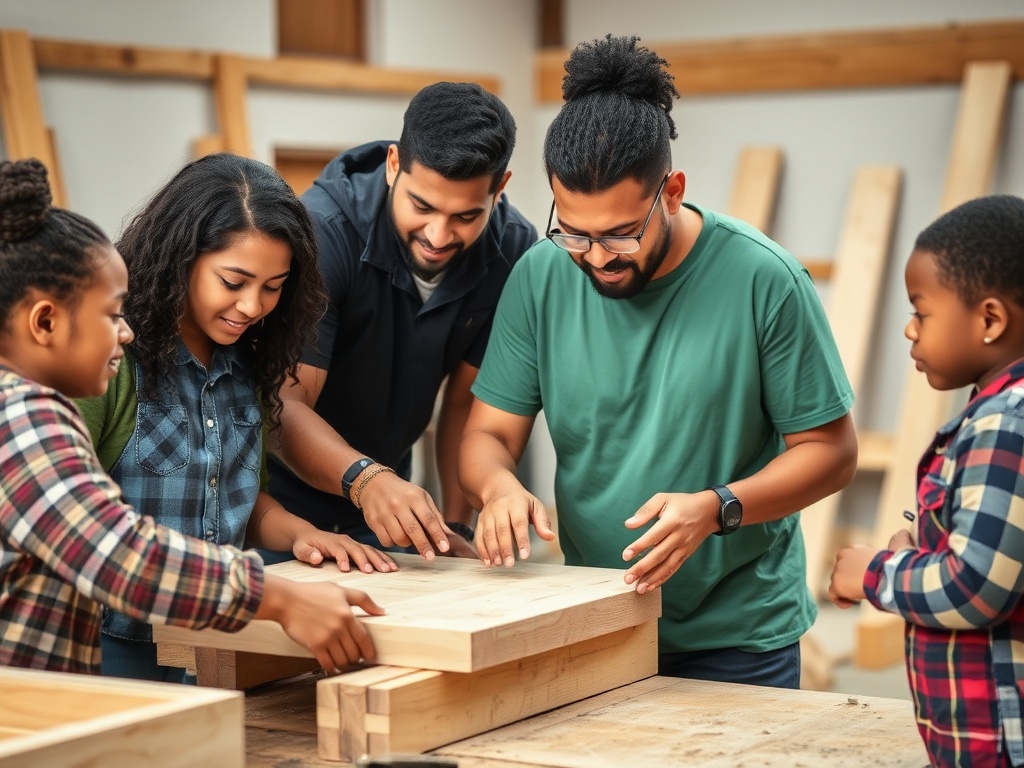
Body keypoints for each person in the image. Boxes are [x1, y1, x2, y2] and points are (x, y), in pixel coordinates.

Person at [458, 35, 858, 689]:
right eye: (575, 230)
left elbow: (831, 451)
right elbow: (487, 435)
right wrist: (497, 486)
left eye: (620, 233)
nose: (595, 255)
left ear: (671, 191)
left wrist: (716, 506)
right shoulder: (540, 275)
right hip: (596, 617)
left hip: (737, 636)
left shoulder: (764, 278)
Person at [0, 157, 384, 676]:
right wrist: (278, 598)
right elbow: (119, 554)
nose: (126, 331)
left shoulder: (243, 366)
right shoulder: (24, 418)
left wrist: (295, 537)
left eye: (272, 287)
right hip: (100, 666)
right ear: (45, 321)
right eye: (113, 315)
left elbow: (228, 496)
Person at [267, 81, 537, 560]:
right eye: (422, 206)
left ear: (500, 188)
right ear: (394, 166)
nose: (438, 234)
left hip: (388, 511)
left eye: (465, 216)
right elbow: (284, 406)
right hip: (280, 511)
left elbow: (464, 405)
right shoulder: (325, 233)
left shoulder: (512, 249)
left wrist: (458, 526)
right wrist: (366, 479)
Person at [829, 195, 1024, 767]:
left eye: (923, 311)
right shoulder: (992, 413)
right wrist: (918, 549)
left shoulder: (1005, 425)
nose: (910, 330)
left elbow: (977, 588)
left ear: (989, 319)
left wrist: (874, 574)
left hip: (1000, 744)